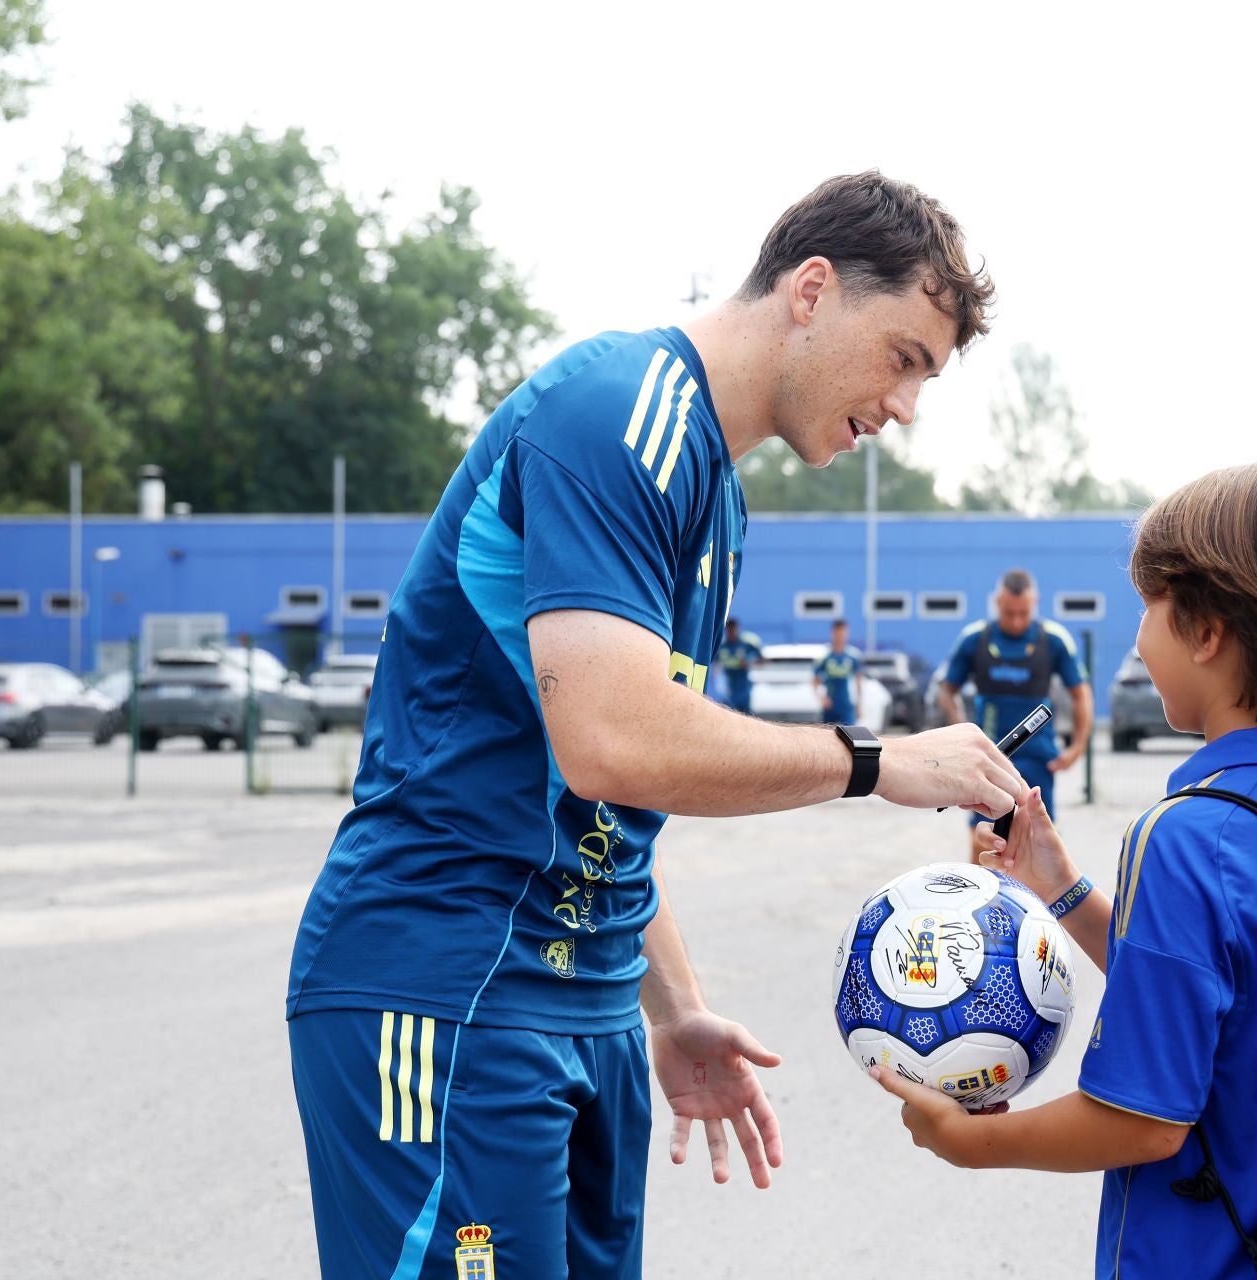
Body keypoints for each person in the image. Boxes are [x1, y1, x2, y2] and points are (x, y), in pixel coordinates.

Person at [286, 172, 1026, 1280]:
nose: (904, 407)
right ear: (812, 290)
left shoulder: (713, 493)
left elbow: (607, 793)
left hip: (587, 1007)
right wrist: (876, 761)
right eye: (905, 358)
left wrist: (675, 1007)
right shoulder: (617, 414)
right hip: (449, 998)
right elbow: (612, 737)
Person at [876, 462, 1257, 1280]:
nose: (1138, 635)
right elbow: (1227, 1001)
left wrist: (970, 1140)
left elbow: (1142, 1123)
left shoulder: (1191, 835)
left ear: (1206, 632)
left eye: (1149, 606)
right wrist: (1063, 890)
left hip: (1201, 1258)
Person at [937, 568, 1091, 844]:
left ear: (1035, 604)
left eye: (1024, 613)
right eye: (1009, 613)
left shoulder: (1053, 640)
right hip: (989, 755)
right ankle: (983, 888)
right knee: (983, 837)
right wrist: (960, 731)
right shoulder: (975, 639)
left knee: (1039, 840)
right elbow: (947, 691)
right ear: (997, 603)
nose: (1017, 621)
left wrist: (1077, 747)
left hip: (1037, 756)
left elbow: (1082, 694)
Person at [812, 618, 865, 724]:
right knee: (827, 737)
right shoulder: (825, 657)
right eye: (838, 632)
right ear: (833, 632)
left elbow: (859, 682)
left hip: (846, 706)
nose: (841, 636)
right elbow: (815, 683)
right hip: (830, 706)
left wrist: (859, 705)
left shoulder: (853, 656)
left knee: (849, 737)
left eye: (844, 632)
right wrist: (822, 699)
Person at [713, 617, 763, 714]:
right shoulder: (722, 646)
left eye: (734, 629)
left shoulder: (746, 644)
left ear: (738, 628)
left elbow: (762, 660)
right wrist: (718, 679)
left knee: (747, 717)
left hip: (744, 689)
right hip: (729, 690)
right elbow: (715, 663)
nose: (732, 632)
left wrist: (748, 663)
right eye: (729, 629)